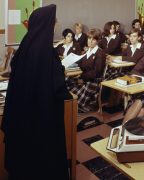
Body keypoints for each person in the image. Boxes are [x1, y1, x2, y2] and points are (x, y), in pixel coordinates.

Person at [1, 4, 69, 179]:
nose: (57, 25)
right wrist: (62, 72)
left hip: (21, 118)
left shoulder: (24, 48)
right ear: (48, 25)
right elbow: (59, 90)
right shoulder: (48, 53)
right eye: (55, 22)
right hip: (42, 120)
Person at [66, 28, 106, 112]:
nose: (90, 41)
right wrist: (70, 67)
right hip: (83, 78)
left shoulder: (100, 53)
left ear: (97, 41)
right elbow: (79, 64)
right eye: (89, 38)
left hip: (93, 81)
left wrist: (82, 77)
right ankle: (71, 103)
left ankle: (79, 105)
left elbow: (96, 72)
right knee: (66, 81)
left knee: (75, 91)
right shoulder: (86, 51)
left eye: (93, 39)